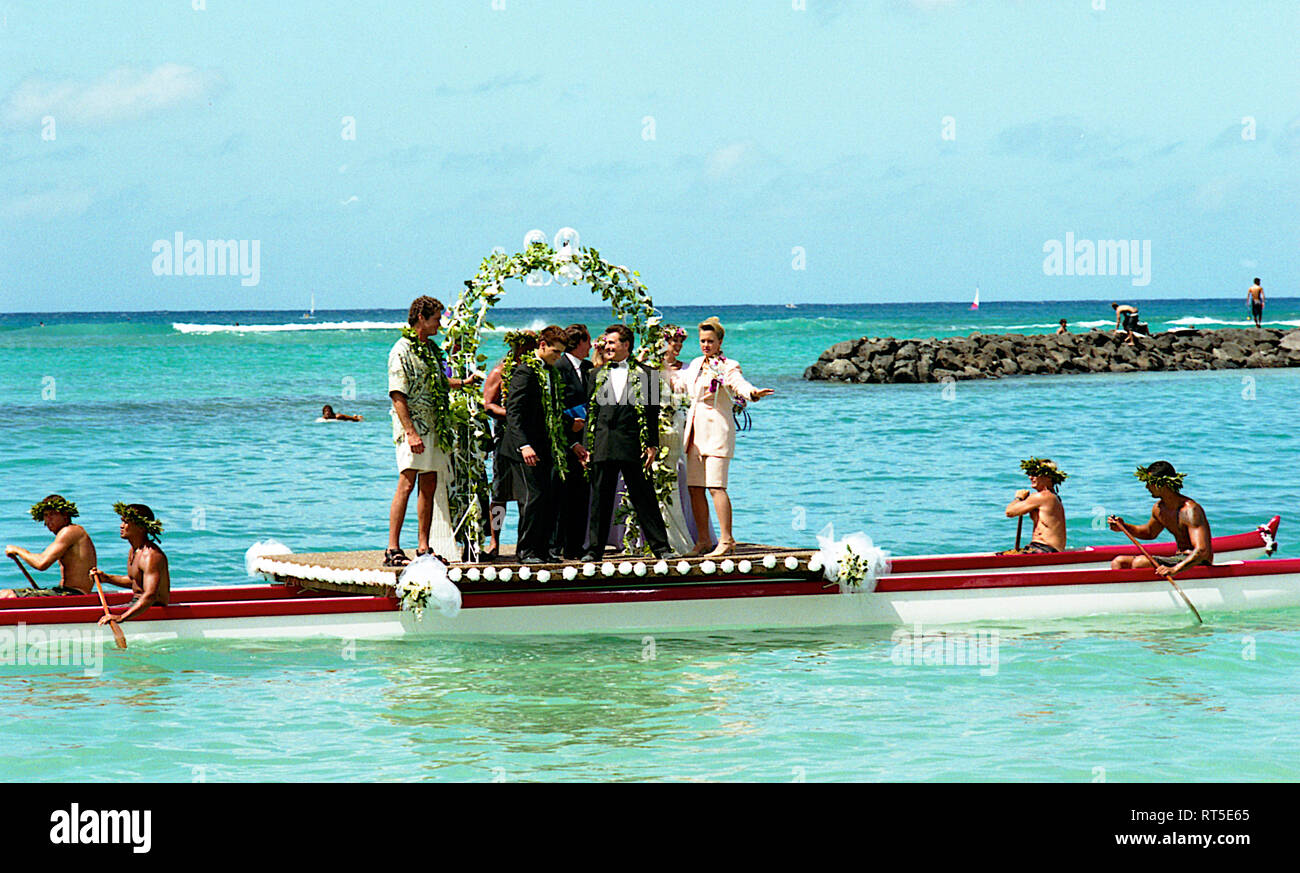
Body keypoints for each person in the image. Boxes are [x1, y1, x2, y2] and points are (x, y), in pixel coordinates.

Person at [386, 295, 479, 567]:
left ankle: (423, 546)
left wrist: (463, 382)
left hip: (436, 426)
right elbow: (397, 395)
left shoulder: (430, 350)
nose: (440, 323)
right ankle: (392, 548)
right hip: (413, 428)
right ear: (421, 319)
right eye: (436, 318)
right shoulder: (401, 350)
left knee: (429, 483)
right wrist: (411, 432)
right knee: (406, 482)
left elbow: (439, 382)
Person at [681, 317, 774, 557]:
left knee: (716, 486)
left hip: (717, 433)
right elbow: (679, 384)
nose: (705, 345)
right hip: (694, 434)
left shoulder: (728, 365)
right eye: (702, 341)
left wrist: (752, 393)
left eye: (710, 341)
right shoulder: (694, 364)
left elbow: (737, 383)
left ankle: (726, 539)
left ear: (720, 341)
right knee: (694, 487)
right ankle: (702, 540)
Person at [579, 324, 673, 561]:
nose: (607, 347)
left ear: (626, 345)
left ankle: (661, 547)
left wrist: (651, 444)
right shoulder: (595, 375)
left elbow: (651, 414)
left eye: (612, 343)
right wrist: (586, 446)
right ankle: (594, 550)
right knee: (600, 498)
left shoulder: (648, 375)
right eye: (606, 343)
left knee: (644, 496)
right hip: (603, 442)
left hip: (633, 444)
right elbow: (591, 414)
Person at [502, 325, 571, 564]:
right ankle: (526, 551)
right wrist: (524, 445)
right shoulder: (525, 372)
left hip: (545, 445)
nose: (558, 356)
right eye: (555, 351)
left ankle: (543, 549)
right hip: (522, 448)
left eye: (561, 353)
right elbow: (514, 412)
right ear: (542, 346)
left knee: (548, 496)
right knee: (532, 496)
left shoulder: (551, 372)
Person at [482, 329, 538, 558]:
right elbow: (487, 404)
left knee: (527, 493)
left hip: (529, 436)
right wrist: (512, 414)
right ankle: (494, 541)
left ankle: (523, 543)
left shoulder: (535, 372)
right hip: (505, 437)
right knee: (500, 493)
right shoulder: (500, 371)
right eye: (526, 348)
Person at [659, 325, 713, 553]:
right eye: (674, 342)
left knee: (684, 479)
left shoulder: (689, 369)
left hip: (683, 426)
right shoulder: (653, 369)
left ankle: (692, 533)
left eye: (680, 343)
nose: (678, 347)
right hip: (662, 428)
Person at [1108, 461, 1213, 576]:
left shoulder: (1190, 511)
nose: (1147, 487)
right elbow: (1149, 533)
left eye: (1150, 483)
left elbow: (1202, 551)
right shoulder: (1159, 508)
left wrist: (1175, 570)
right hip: (1177, 558)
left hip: (1197, 562)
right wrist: (1123, 526)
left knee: (1140, 563)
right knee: (1118, 562)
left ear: (1163, 484)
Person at [91, 502, 170, 625]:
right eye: (122, 521)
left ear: (141, 527)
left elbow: (150, 595)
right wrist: (107, 578)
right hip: (138, 604)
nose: (121, 526)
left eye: (126, 522)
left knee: (98, 615)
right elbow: (136, 582)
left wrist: (121, 618)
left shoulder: (150, 556)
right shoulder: (134, 551)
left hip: (152, 607)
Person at [553, 324, 594, 559]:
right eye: (588, 341)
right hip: (565, 441)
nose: (591, 346)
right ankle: (557, 545)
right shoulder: (559, 367)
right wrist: (571, 436)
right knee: (563, 497)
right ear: (579, 343)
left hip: (586, 438)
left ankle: (576, 546)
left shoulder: (589, 368)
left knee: (582, 495)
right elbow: (554, 407)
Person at [3, 495, 97, 597]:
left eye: (52, 514)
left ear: (65, 516)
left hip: (72, 594)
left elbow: (41, 563)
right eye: (45, 515)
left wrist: (18, 550)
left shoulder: (70, 531)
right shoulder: (72, 532)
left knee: (6, 595)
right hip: (66, 592)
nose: (48, 519)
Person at [1002, 458, 1068, 553]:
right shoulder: (1052, 496)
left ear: (1048, 477)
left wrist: (1019, 498)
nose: (1030, 477)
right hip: (1043, 548)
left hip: (1045, 549)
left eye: (1035, 474)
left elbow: (1009, 512)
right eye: (1030, 474)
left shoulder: (1043, 496)